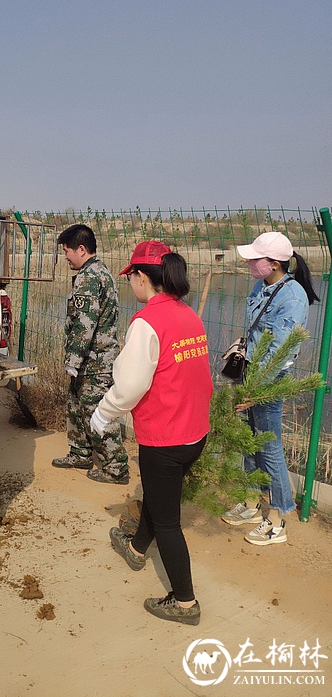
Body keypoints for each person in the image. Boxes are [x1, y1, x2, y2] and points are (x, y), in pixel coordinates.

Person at [91, 240, 213, 625]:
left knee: (168, 522)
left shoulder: (147, 322)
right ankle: (137, 549)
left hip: (165, 436)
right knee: (161, 500)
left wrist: (102, 414)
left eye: (132, 277)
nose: (131, 284)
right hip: (195, 432)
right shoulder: (188, 315)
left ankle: (185, 603)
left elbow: (129, 388)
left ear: (143, 277)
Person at [221, 231, 319, 546]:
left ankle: (277, 518)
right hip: (252, 370)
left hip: (269, 378)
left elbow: (280, 351)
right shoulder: (262, 285)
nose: (250, 262)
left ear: (274, 263)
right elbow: (256, 332)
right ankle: (252, 502)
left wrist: (256, 390)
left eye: (255, 258)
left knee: (270, 445)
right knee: (250, 441)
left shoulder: (292, 297)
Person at [51, 224, 129, 484]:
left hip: (94, 361)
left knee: (97, 411)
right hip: (90, 360)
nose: (65, 257)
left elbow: (85, 323)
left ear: (81, 249)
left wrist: (73, 360)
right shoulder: (98, 271)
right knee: (75, 406)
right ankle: (80, 452)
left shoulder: (89, 277)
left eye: (67, 251)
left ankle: (116, 467)